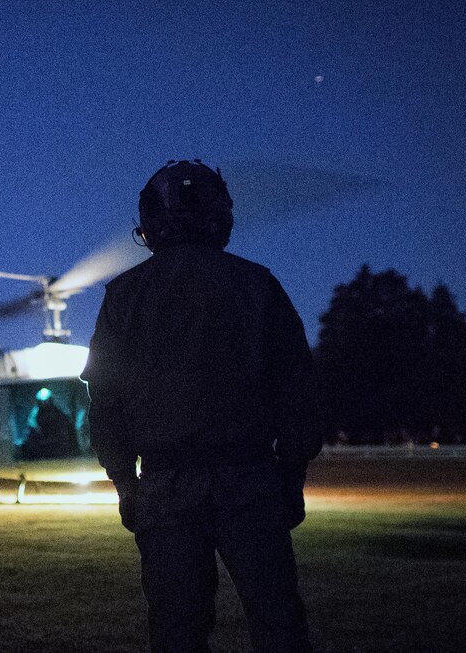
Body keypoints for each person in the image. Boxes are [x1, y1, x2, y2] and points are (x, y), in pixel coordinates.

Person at [81, 159, 323, 653]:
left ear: (150, 224)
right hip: (252, 479)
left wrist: (126, 483)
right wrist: (291, 473)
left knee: (177, 631)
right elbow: (298, 390)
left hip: (166, 488)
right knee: (277, 623)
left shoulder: (124, 295)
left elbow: (106, 404)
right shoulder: (258, 285)